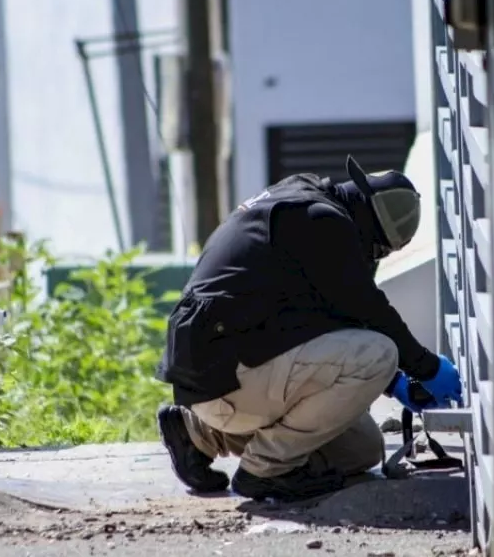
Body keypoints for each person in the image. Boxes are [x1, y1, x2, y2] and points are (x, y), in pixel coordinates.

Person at [154, 155, 464, 502]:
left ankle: (199, 434)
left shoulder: (301, 196)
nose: (372, 259)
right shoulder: (322, 222)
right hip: (227, 373)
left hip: (222, 371)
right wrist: (427, 368)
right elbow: (370, 311)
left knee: (361, 450)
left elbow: (330, 317)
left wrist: (396, 384)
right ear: (371, 225)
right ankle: (266, 470)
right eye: (378, 249)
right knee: (380, 354)